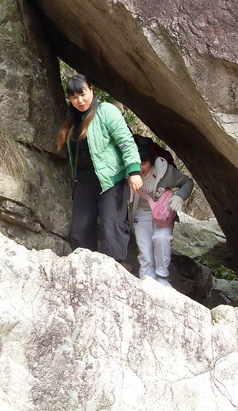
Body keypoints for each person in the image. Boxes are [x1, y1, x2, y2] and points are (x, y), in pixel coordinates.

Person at [56, 74, 142, 261]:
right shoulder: (73, 120)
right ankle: (85, 270)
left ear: (91, 90)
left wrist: (134, 170)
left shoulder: (106, 111)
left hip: (112, 183)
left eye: (83, 94)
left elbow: (125, 141)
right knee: (79, 231)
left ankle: (115, 273)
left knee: (111, 229)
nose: (80, 100)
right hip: (84, 184)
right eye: (74, 97)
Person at [130, 145, 193, 286]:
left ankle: (162, 277)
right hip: (141, 213)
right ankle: (146, 281)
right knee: (145, 251)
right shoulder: (127, 173)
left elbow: (187, 182)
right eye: (136, 163)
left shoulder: (163, 171)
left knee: (161, 238)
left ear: (151, 162)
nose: (139, 168)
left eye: (143, 164)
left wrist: (179, 197)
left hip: (162, 213)